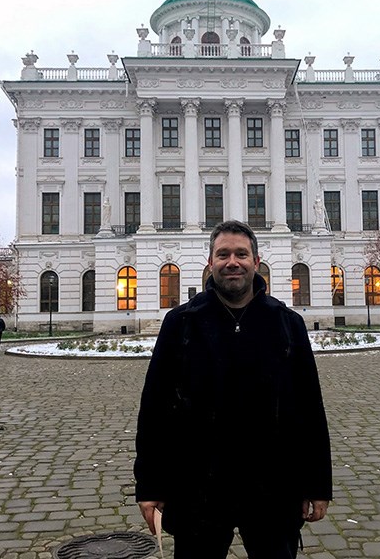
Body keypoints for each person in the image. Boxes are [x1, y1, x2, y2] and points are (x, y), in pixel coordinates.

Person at [135, 220, 332, 559]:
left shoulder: (287, 323)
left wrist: (317, 484)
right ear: (210, 263)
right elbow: (155, 408)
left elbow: (309, 409)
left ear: (256, 261)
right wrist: (149, 485)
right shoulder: (182, 322)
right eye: (223, 254)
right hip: (200, 486)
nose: (232, 262)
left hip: (273, 486)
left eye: (241, 254)